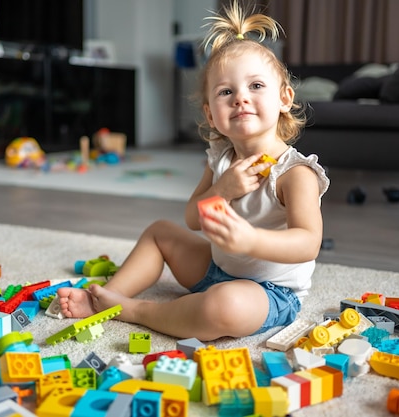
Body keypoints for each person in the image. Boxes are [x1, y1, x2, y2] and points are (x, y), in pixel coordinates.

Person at [57, 1, 330, 341]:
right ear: (211, 115)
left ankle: (138, 311)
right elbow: (191, 219)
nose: (240, 98)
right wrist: (224, 189)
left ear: (284, 98)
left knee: (223, 307)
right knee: (160, 232)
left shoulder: (294, 172)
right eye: (226, 91)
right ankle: (109, 297)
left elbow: (307, 243)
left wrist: (251, 239)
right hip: (217, 268)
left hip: (270, 293)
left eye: (256, 86)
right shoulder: (220, 159)